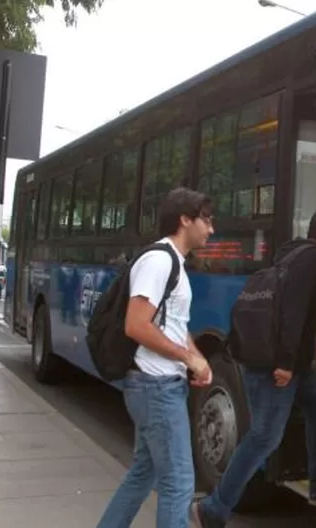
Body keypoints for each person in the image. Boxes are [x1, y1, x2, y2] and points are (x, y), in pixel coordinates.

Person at [193, 206, 316, 528]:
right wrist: (286, 364)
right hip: (275, 364)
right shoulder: (312, 259)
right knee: (264, 437)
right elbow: (291, 313)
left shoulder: (294, 254)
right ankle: (213, 508)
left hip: (287, 362)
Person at [96, 187, 215, 528]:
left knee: (143, 474)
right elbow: (137, 325)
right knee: (178, 482)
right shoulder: (159, 260)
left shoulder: (173, 262)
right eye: (206, 220)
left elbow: (172, 323)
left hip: (158, 384)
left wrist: (196, 357)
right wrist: (187, 359)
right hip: (155, 386)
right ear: (184, 219)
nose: (211, 229)